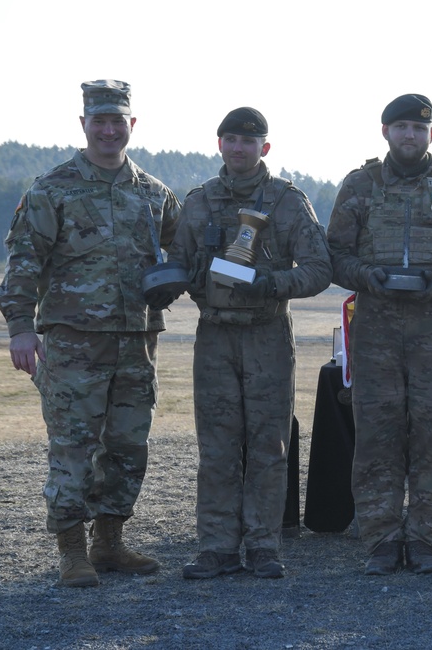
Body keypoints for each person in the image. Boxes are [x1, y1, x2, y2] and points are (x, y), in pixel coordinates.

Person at [0, 80, 181, 587]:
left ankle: (110, 544)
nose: (108, 129)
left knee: (126, 446)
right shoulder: (52, 188)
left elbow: (183, 248)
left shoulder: (153, 193)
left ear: (131, 126)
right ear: (83, 125)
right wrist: (19, 329)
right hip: (72, 341)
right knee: (74, 447)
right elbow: (25, 262)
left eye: (117, 120)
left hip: (136, 340)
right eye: (98, 120)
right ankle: (72, 552)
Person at [166, 107, 332, 580]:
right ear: (219, 144)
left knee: (268, 444)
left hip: (267, 334)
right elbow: (178, 263)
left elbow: (319, 270)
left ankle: (263, 544)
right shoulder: (199, 203)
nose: (239, 148)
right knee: (217, 446)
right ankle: (216, 547)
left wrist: (271, 283)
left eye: (249, 140)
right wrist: (171, 280)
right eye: (231, 139)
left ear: (265, 147)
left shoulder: (286, 202)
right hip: (215, 335)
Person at [327, 94, 432, 575]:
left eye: (419, 129)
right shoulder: (360, 185)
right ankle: (379, 536)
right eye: (400, 128)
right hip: (376, 331)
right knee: (378, 436)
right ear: (385, 133)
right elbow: (334, 254)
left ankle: (425, 539)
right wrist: (366, 275)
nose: (410, 136)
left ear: (431, 135)